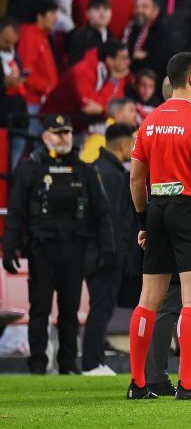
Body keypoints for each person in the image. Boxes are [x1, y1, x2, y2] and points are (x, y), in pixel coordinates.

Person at [125, 52, 191, 400]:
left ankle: (138, 384)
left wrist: (144, 220)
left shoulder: (149, 122)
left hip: (157, 207)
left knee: (147, 301)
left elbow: (135, 179)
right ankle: (188, 385)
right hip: (189, 211)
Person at [2, 114, 114, 374]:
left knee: (69, 311)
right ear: (45, 136)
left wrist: (107, 247)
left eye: (66, 132)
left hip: (75, 249)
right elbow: (16, 212)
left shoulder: (84, 170)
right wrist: (10, 247)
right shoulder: (30, 169)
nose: (62, 137)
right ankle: (38, 364)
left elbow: (101, 213)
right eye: (57, 132)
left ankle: (67, 364)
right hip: (41, 249)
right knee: (40, 309)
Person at [81, 122, 139, 376]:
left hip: (98, 252)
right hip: (107, 255)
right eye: (134, 142)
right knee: (101, 308)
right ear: (125, 144)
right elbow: (114, 221)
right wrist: (116, 254)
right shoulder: (112, 175)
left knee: (101, 307)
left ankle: (96, 360)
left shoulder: (99, 169)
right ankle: (92, 363)